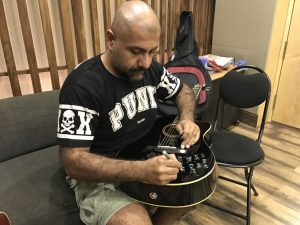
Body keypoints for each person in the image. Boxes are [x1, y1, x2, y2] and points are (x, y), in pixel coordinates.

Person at [57, 1, 200, 225]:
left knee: (198, 184)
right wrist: (140, 171)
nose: (145, 62)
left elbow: (184, 91)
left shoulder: (151, 69)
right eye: (136, 51)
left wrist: (187, 119)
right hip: (99, 176)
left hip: (145, 154)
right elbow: (73, 162)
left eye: (152, 51)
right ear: (111, 39)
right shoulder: (82, 85)